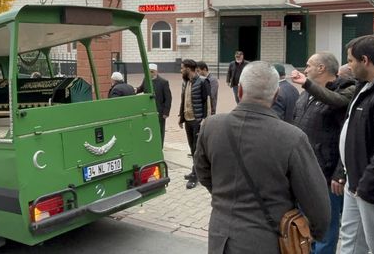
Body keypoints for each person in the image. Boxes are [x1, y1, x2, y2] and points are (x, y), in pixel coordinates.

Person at [195, 61, 330, 254]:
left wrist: (226, 197)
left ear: (239, 91)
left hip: (220, 238)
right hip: (269, 241)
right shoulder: (292, 137)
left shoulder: (211, 126)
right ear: (276, 96)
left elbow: (204, 174)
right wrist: (314, 233)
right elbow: (317, 204)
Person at [290, 52, 356, 254]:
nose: (305, 68)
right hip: (303, 172)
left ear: (321, 68)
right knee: (304, 225)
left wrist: (339, 172)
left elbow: (345, 138)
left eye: (309, 65)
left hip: (327, 176)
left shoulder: (345, 92)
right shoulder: (306, 94)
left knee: (326, 229)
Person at [339, 35, 374, 254]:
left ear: (365, 60)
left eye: (351, 60)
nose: (349, 66)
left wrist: (368, 184)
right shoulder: (366, 87)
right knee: (351, 240)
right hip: (356, 181)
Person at [178, 59, 210, 189]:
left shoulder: (202, 82)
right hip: (188, 120)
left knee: (197, 149)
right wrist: (181, 118)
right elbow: (183, 100)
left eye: (182, 68)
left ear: (188, 68)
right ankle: (195, 170)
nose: (181, 70)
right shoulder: (186, 82)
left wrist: (205, 119)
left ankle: (195, 176)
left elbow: (207, 101)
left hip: (197, 121)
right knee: (192, 149)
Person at [136, 63, 172, 148]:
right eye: (148, 72)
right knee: (149, 128)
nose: (150, 74)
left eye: (152, 72)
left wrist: (166, 112)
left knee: (159, 129)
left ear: (156, 72)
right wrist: (134, 90)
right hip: (148, 109)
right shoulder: (146, 80)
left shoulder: (163, 82)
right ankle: (151, 146)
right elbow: (141, 88)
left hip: (159, 110)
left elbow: (168, 98)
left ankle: (159, 147)